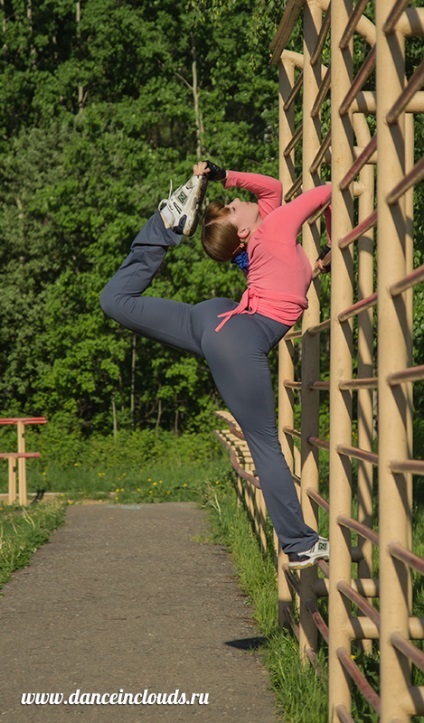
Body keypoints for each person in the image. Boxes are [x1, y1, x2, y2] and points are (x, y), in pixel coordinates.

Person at [100, 161, 332, 569]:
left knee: (115, 302)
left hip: (214, 319)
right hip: (235, 335)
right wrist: (332, 238)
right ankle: (298, 544)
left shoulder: (265, 233)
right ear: (242, 231)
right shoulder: (274, 229)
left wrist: (223, 176)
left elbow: (271, 188)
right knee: (264, 443)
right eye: (232, 205)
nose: (236, 200)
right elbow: (327, 190)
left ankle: (165, 225)